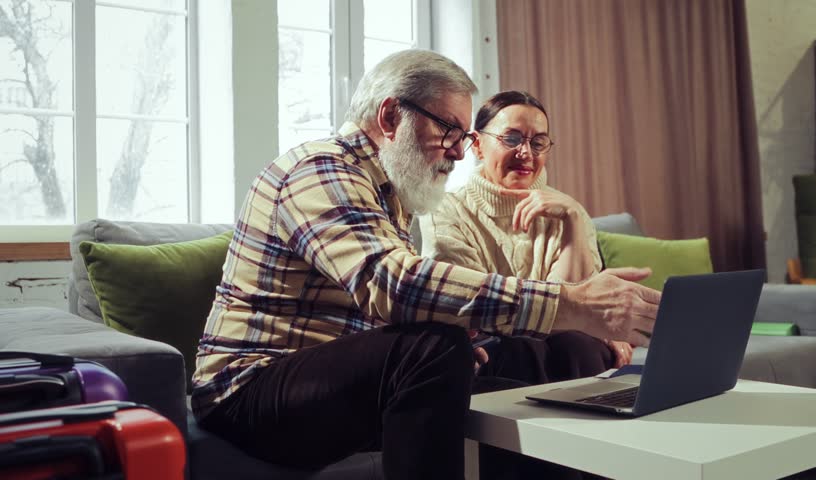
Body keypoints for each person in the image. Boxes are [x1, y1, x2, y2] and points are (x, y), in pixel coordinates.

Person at [191, 50, 660, 480]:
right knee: (433, 347)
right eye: (449, 131)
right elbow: (392, 284)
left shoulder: (389, 195)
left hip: (332, 384)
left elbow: (381, 314)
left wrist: (465, 343)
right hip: (248, 391)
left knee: (519, 393)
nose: (458, 151)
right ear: (391, 115)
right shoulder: (321, 170)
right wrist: (568, 302)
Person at [421, 91, 637, 389]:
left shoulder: (567, 209)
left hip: (565, 341)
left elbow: (581, 307)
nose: (527, 153)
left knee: (578, 345)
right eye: (511, 139)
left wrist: (573, 219)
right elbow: (473, 307)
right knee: (524, 350)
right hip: (488, 343)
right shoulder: (444, 211)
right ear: (477, 145)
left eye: (538, 143)